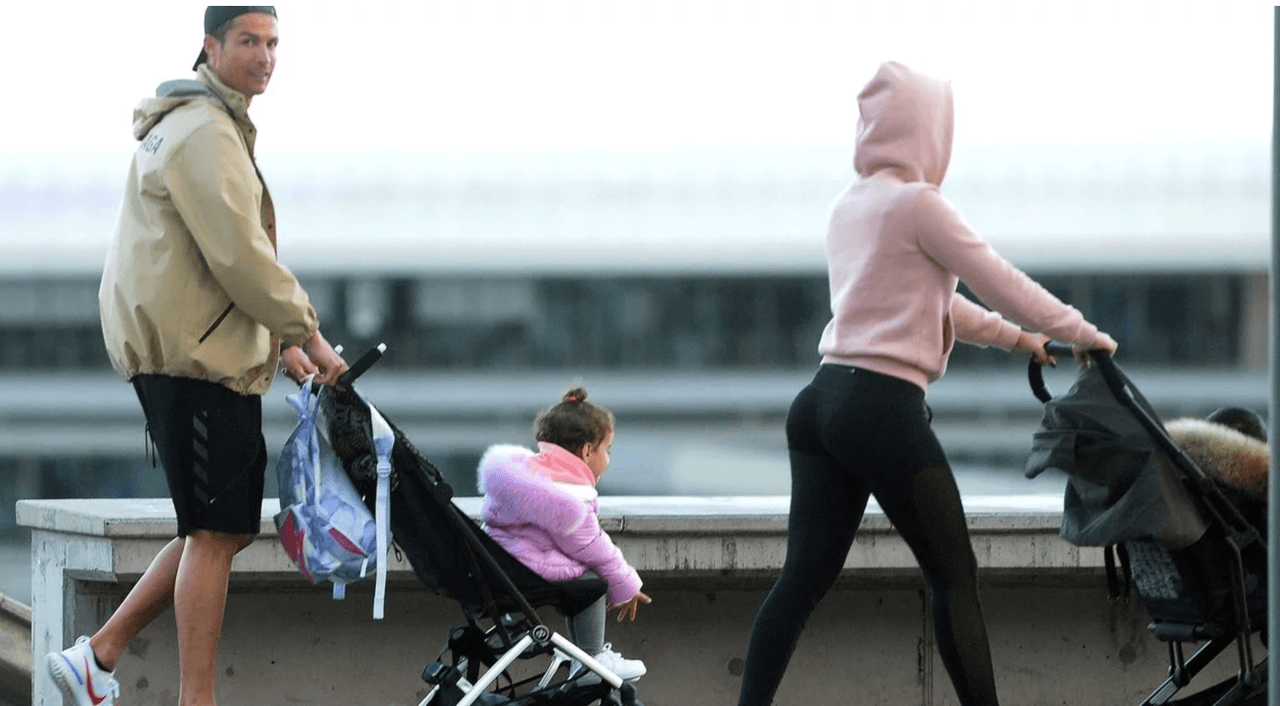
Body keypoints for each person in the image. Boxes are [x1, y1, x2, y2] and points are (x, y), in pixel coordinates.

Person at [736, 61, 1119, 706]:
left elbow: (932, 304)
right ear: (930, 130)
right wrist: (1080, 330)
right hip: (879, 407)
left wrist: (1020, 339)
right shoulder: (919, 205)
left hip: (822, 401)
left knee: (798, 584)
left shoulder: (850, 206)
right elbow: (996, 278)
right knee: (954, 576)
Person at [45, 8, 347, 706]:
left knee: (220, 528)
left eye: (273, 43)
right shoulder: (205, 132)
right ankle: (196, 699)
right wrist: (306, 332)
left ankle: (101, 654)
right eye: (249, 41)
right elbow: (240, 257)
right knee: (215, 530)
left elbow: (206, 258)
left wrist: (275, 343)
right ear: (211, 47)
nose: (265, 56)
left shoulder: (197, 125)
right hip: (192, 361)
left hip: (194, 353)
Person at [476, 387, 653, 683]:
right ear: (586, 451)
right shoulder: (566, 498)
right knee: (592, 582)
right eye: (606, 451)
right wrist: (625, 584)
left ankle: (523, 628)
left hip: (503, 567)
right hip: (525, 572)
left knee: (582, 577)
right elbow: (593, 546)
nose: (607, 460)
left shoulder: (526, 477)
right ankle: (590, 661)